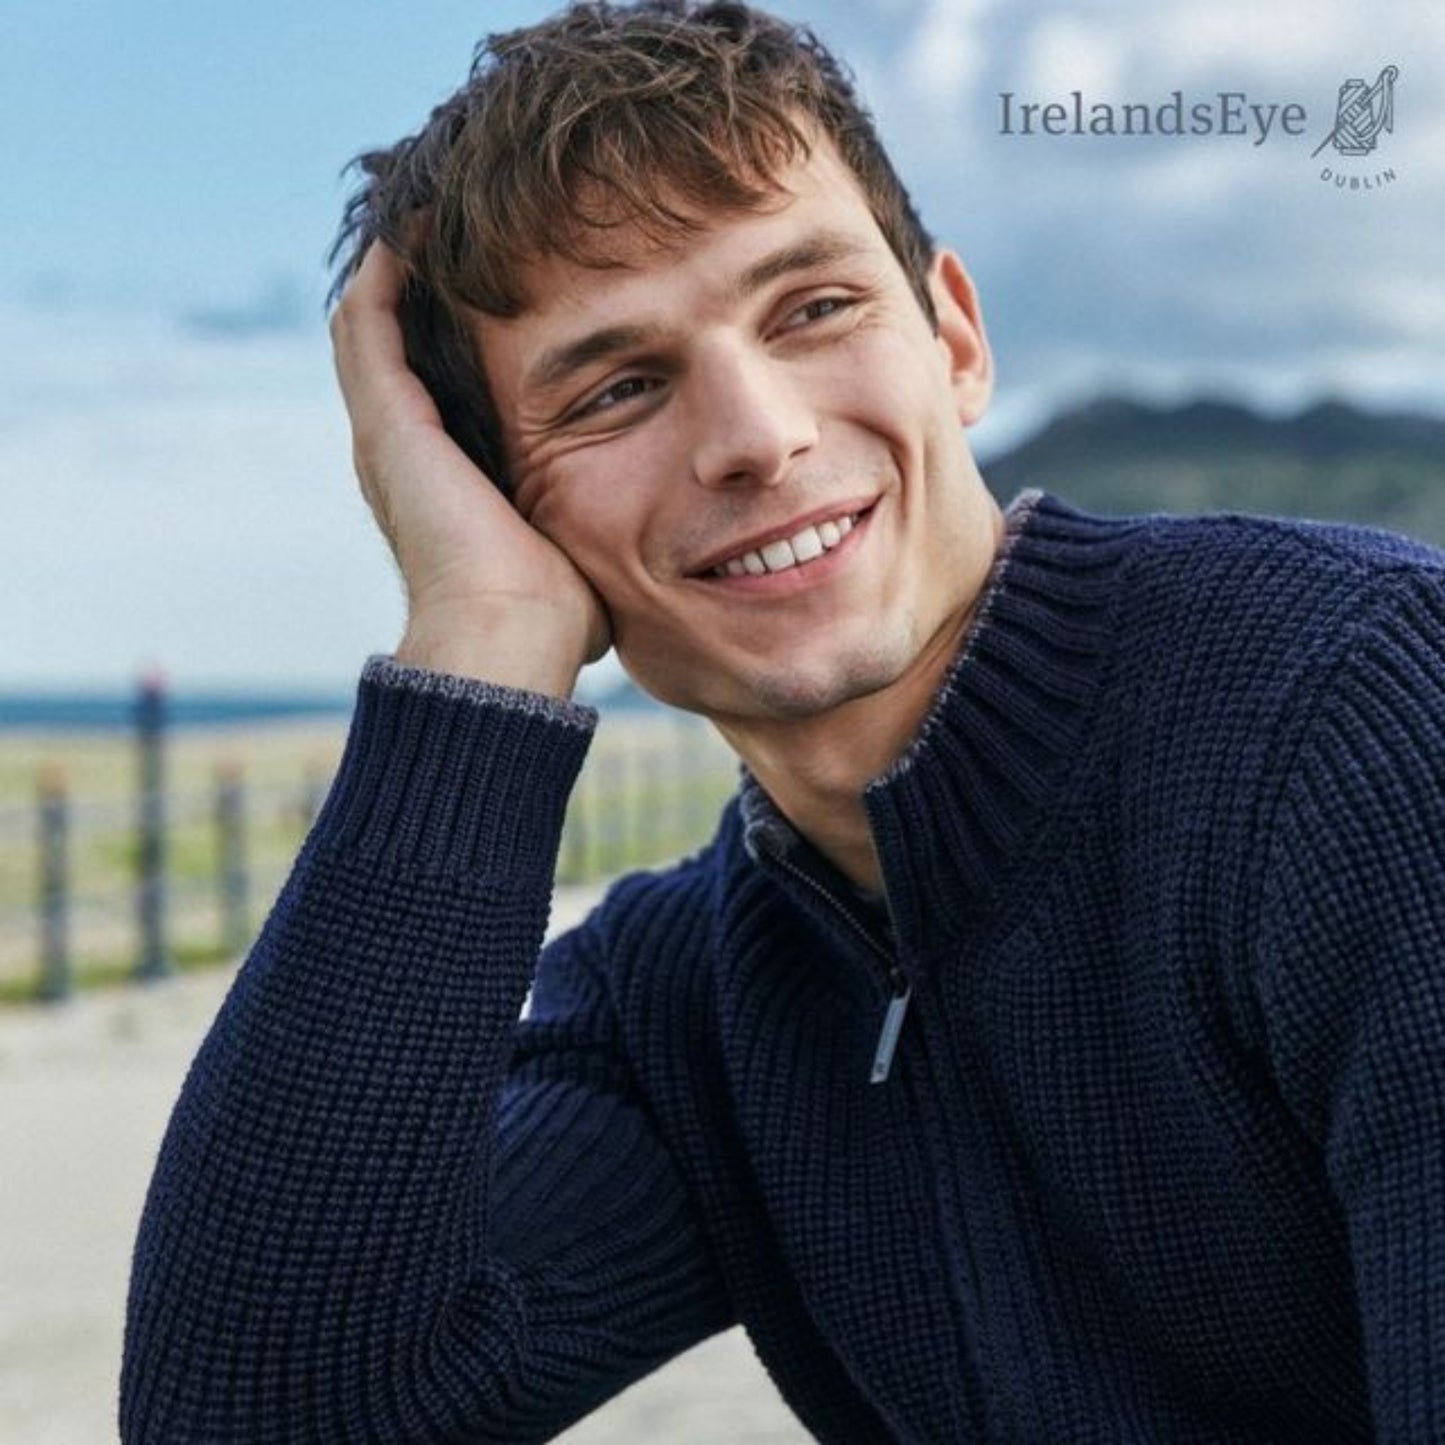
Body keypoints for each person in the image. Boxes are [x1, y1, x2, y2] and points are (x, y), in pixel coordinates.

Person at [121, 2, 1445, 1440]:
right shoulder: (686, 995)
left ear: (952, 338)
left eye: (811, 308)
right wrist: (477, 653)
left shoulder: (1363, 714)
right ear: (501, 507)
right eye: (617, 387)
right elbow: (250, 1414)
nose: (755, 434)